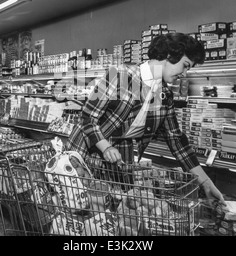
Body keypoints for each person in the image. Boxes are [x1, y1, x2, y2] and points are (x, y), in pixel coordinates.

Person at [65, 33, 226, 206]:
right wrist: (106, 148)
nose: (184, 73)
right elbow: (87, 118)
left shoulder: (165, 96)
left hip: (118, 170)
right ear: (170, 56)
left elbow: (177, 141)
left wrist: (206, 183)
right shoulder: (119, 74)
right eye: (185, 66)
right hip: (82, 160)